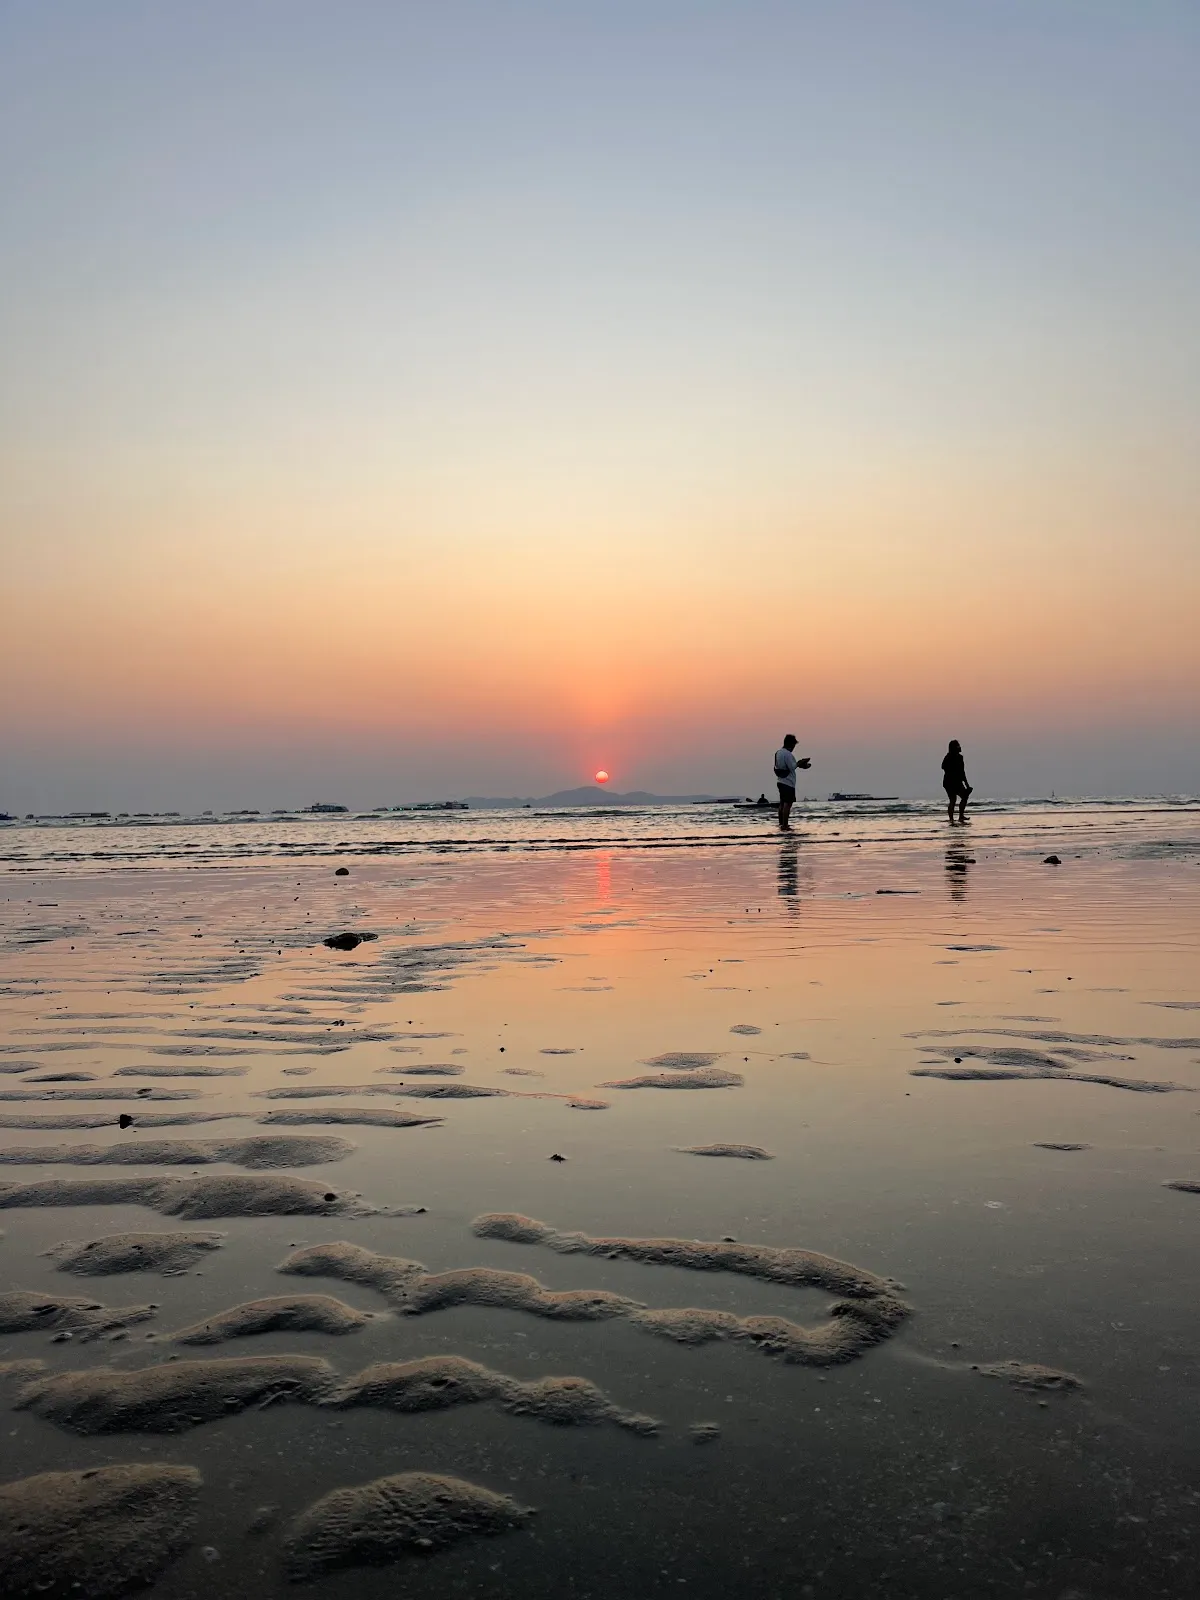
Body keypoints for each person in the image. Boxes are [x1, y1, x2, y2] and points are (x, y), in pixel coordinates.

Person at [773, 734, 811, 832]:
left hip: (780, 781)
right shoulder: (787, 754)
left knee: (781, 804)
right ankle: (785, 826)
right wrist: (800, 762)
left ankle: (781, 824)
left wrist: (802, 765)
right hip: (788, 783)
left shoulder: (778, 753)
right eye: (794, 745)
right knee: (787, 804)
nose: (794, 748)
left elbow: (783, 767)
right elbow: (792, 767)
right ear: (790, 744)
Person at [941, 739, 972, 824]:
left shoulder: (960, 757)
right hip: (949, 782)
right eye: (957, 746)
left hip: (957, 782)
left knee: (964, 797)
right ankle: (951, 818)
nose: (959, 747)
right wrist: (952, 771)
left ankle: (960, 816)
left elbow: (962, 772)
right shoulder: (948, 757)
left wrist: (967, 785)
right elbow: (943, 767)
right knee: (953, 800)